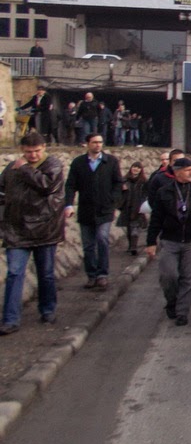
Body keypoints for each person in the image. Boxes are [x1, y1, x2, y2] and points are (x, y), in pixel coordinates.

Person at [0, 132, 66, 336]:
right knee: (14, 273)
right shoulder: (12, 168)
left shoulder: (53, 165)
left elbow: (46, 186)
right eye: (29, 152)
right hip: (16, 229)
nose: (34, 156)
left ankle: (47, 309)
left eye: (37, 151)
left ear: (44, 148)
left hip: (45, 229)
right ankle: (10, 319)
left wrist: (26, 168)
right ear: (22, 150)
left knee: (45, 273)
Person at [146, 158, 191, 326]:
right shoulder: (164, 192)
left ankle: (182, 312)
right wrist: (151, 241)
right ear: (177, 171)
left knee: (189, 277)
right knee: (169, 275)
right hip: (170, 239)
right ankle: (172, 302)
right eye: (188, 170)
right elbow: (156, 219)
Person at [64, 133, 123, 290]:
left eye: (100, 142)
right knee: (88, 245)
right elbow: (70, 185)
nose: (98, 145)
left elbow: (118, 182)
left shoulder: (110, 161)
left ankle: (102, 274)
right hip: (86, 209)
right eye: (94, 142)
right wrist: (68, 204)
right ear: (87, 144)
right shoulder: (78, 163)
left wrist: (114, 199)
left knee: (102, 239)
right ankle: (91, 275)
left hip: (105, 209)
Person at [117, 161, 148, 256]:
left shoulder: (143, 182)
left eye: (138, 168)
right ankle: (131, 245)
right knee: (128, 228)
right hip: (127, 206)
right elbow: (118, 192)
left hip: (138, 207)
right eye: (134, 167)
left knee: (135, 227)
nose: (136, 169)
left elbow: (146, 194)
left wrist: (143, 204)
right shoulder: (124, 180)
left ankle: (134, 247)